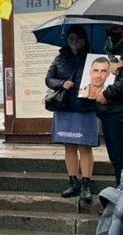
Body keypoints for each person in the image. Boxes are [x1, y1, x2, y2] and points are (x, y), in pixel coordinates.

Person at [45, 27, 99, 201]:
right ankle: (74, 183)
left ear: (84, 39)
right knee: (69, 147)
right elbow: (49, 79)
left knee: (85, 147)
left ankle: (86, 185)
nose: (74, 40)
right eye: (71, 37)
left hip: (85, 108)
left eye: (78, 37)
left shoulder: (94, 58)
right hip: (65, 107)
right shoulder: (60, 58)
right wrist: (62, 83)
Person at [95, 60, 123, 185]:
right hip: (109, 114)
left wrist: (106, 94)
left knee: (120, 158)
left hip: (118, 114)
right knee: (116, 158)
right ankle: (119, 188)